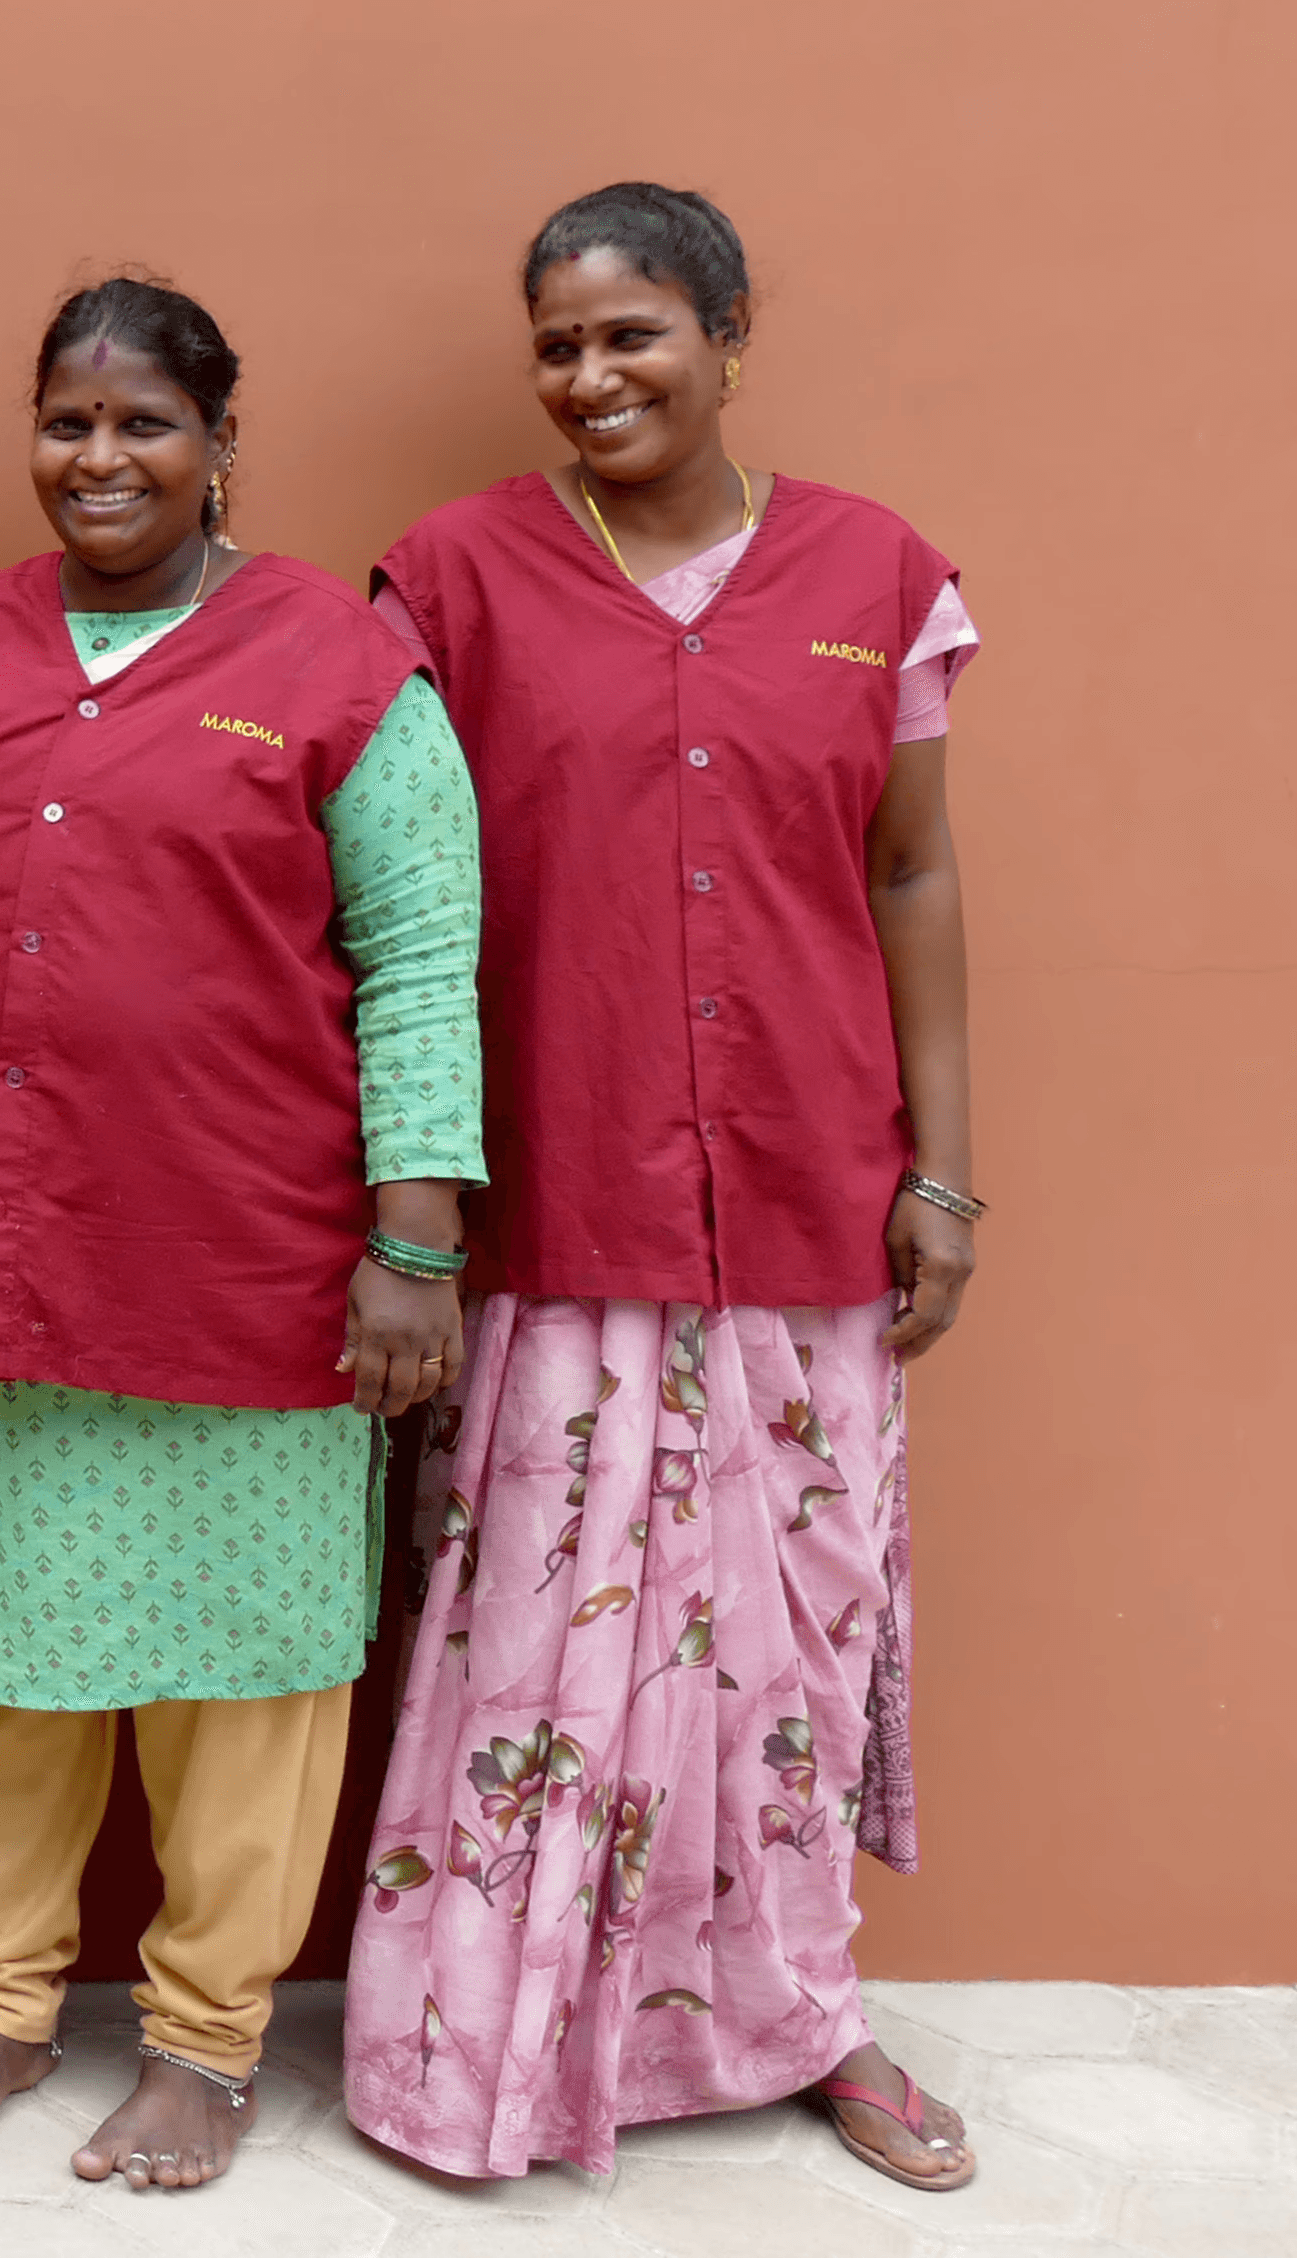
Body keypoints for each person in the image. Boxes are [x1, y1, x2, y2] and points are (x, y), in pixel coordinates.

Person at [0, 276, 483, 2194]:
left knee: (246, 1677)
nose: (101, 460)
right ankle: (0, 1998)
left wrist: (413, 1234)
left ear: (221, 444)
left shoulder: (340, 668)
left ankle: (205, 2041)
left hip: (240, 1268)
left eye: (144, 425)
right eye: (68, 425)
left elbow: (419, 956)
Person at [343, 182, 983, 2195]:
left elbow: (909, 873)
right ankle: (501, 2029)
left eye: (631, 333)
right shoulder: (445, 583)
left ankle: (801, 2017)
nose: (589, 374)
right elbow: (388, 901)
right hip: (560, 1212)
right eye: (556, 341)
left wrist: (944, 1172)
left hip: (803, 1194)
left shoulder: (872, 570)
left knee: (784, 1650)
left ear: (723, 338)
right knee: (535, 1648)